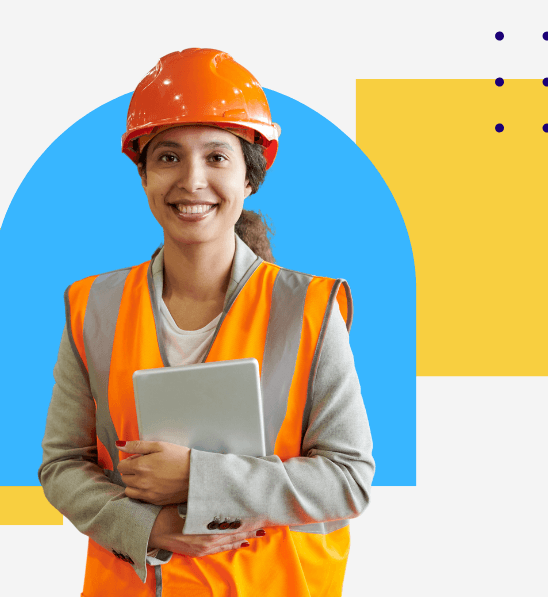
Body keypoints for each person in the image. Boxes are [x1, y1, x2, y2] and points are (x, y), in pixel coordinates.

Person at [38, 48, 374, 596]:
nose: (192, 180)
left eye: (217, 157)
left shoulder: (308, 309)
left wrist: (200, 478)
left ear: (249, 179)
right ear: (143, 174)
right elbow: (62, 466)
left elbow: (348, 482)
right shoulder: (93, 306)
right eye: (169, 157)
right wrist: (151, 527)